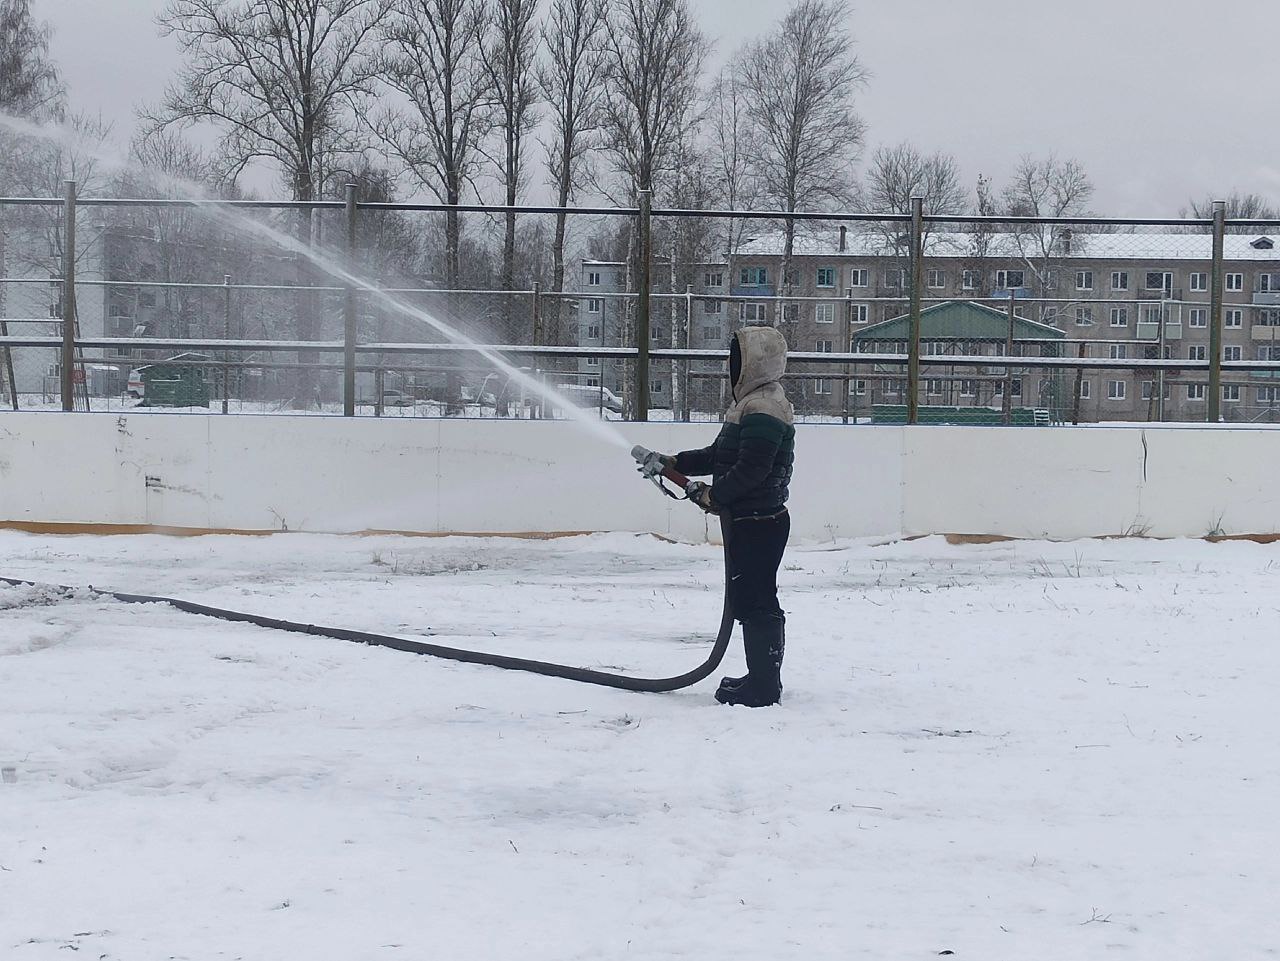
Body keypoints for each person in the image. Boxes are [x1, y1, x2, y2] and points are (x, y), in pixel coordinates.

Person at [658, 325, 795, 707]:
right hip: (750, 519)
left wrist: (715, 495)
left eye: (738, 359)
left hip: (760, 521)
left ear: (753, 364)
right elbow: (719, 455)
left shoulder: (765, 407)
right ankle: (762, 680)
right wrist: (675, 462)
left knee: (756, 599)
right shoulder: (749, 405)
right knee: (750, 597)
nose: (731, 366)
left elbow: (753, 469)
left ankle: (764, 687)